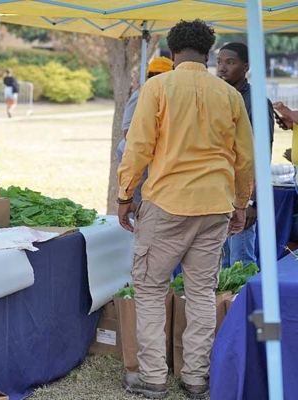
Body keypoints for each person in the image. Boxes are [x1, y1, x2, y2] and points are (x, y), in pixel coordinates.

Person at [117, 20, 254, 399]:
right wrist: (241, 203)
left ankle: (154, 378)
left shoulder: (158, 87)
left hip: (167, 204)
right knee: (201, 292)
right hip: (215, 206)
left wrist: (125, 194)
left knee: (148, 288)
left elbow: (138, 147)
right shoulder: (229, 95)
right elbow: (245, 159)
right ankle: (196, 377)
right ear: (208, 54)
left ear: (172, 52)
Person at [217, 42, 275, 268]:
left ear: (246, 67)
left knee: (239, 265)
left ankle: (243, 305)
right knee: (219, 266)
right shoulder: (218, 97)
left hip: (243, 197)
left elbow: (263, 155)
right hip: (217, 195)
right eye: (220, 62)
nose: (222, 68)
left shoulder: (257, 102)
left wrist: (253, 202)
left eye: (230, 63)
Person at [116, 57, 173, 205]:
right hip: (138, 155)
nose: (157, 79)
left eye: (161, 75)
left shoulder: (171, 95)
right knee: (140, 203)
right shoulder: (141, 94)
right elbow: (128, 133)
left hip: (159, 156)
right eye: (154, 75)